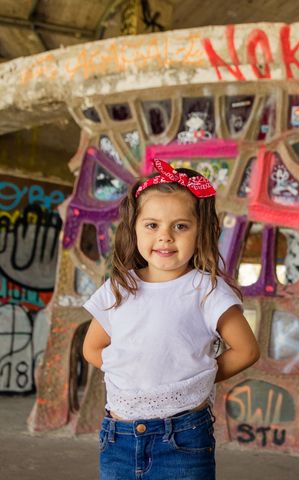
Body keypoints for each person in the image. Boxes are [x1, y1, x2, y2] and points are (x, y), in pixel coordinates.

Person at [82, 159, 260, 480]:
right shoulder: (119, 288)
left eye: (180, 226)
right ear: (134, 228)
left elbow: (246, 350)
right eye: (152, 225)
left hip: (182, 437)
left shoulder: (206, 289)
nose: (165, 237)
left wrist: (194, 379)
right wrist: (134, 377)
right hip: (118, 436)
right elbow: (93, 348)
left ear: (200, 230)